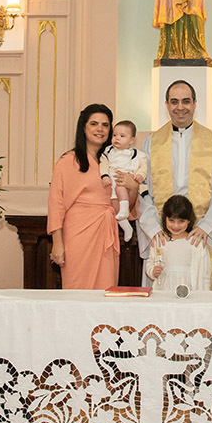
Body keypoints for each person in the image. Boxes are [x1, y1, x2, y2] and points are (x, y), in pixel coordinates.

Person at [133, 80, 212, 288]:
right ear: (167, 105)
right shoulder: (151, 143)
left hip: (199, 236)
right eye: (174, 102)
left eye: (186, 101)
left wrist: (206, 227)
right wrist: (153, 229)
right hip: (164, 233)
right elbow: (143, 191)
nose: (180, 107)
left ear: (195, 104)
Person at [47, 104, 128, 290]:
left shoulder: (112, 162)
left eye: (105, 125)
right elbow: (56, 205)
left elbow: (122, 204)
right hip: (78, 234)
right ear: (83, 127)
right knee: (78, 290)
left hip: (107, 233)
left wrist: (131, 186)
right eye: (94, 124)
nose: (100, 129)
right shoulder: (68, 161)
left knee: (106, 291)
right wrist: (57, 244)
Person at [145, 195, 212, 293]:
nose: (176, 226)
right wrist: (152, 271)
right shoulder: (160, 241)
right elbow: (150, 262)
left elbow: (206, 273)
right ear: (165, 218)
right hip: (165, 289)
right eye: (171, 220)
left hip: (190, 289)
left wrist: (205, 294)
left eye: (181, 221)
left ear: (189, 220)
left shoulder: (196, 242)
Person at [100, 119, 148, 241]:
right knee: (115, 208)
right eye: (114, 135)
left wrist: (140, 175)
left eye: (122, 136)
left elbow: (143, 166)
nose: (117, 138)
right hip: (112, 181)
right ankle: (126, 225)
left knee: (120, 189)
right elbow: (103, 163)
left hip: (126, 181)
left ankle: (125, 211)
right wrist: (104, 175)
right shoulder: (109, 151)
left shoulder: (136, 154)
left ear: (131, 140)